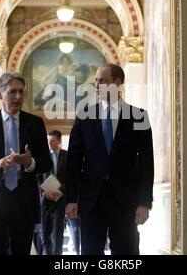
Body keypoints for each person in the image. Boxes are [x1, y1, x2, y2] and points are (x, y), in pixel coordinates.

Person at [65, 63, 154, 255]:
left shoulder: (138, 117)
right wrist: (71, 198)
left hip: (125, 200)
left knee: (125, 254)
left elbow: (147, 163)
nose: (97, 85)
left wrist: (145, 202)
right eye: (96, 81)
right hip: (91, 200)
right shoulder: (84, 116)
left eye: (103, 81)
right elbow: (73, 160)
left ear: (117, 83)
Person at [0, 71, 52, 255]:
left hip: (24, 201)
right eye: (12, 92)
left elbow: (46, 163)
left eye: (21, 92)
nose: (18, 97)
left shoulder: (35, 123)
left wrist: (30, 162)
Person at [39, 130, 68, 255]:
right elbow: (37, 177)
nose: (49, 144)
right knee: (44, 233)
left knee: (57, 233)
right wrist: (44, 192)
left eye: (52, 141)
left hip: (60, 200)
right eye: (48, 141)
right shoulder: (42, 156)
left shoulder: (67, 156)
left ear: (59, 141)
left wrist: (60, 191)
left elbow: (71, 178)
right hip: (45, 199)